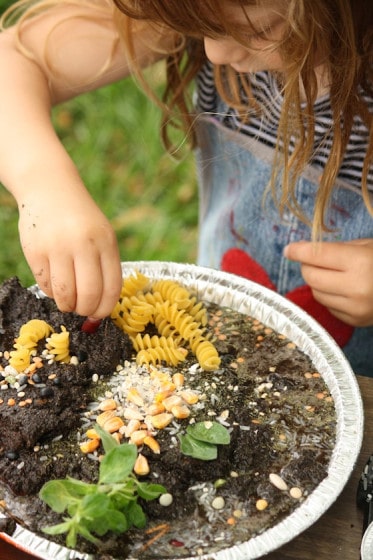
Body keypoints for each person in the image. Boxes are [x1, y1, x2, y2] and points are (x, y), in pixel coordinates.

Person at [0, 0, 372, 375]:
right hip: (218, 343)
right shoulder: (204, 8)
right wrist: (44, 184)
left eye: (259, 31)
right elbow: (13, 58)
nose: (215, 52)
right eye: (204, 30)